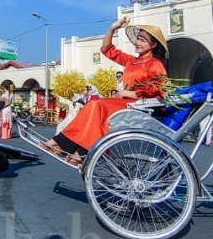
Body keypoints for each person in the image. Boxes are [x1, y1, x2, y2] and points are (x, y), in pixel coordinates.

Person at [40, 17, 167, 164]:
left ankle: (63, 145)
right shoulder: (131, 61)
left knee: (97, 105)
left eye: (143, 40)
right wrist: (112, 29)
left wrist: (126, 93)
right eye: (138, 38)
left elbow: (158, 89)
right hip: (124, 102)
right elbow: (107, 49)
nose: (138, 42)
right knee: (93, 108)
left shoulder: (155, 64)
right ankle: (75, 150)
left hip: (139, 105)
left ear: (153, 44)